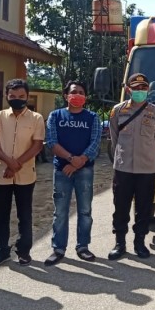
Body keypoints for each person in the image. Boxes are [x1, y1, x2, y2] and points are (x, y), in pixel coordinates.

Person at [0, 79, 45, 268]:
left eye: (21, 96)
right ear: (6, 96)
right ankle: (2, 251)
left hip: (26, 175)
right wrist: (8, 162)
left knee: (24, 215)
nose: (17, 99)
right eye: (12, 96)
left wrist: (16, 164)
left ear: (27, 96)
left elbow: (37, 145)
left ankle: (24, 251)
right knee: (0, 215)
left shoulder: (36, 118)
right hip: (0, 174)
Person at [44, 80, 101, 266]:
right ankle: (58, 248)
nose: (78, 95)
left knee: (85, 210)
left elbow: (95, 143)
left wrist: (79, 162)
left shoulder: (93, 117)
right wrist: (70, 159)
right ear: (66, 95)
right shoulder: (55, 116)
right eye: (74, 91)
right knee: (60, 211)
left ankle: (83, 246)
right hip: (62, 170)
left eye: (81, 92)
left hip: (85, 170)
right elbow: (52, 141)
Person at [108, 73, 155, 260]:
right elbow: (114, 138)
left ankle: (139, 242)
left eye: (143, 88)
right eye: (136, 87)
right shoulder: (118, 110)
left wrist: (144, 152)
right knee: (120, 206)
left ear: (148, 90)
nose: (139, 91)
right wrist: (122, 156)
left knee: (144, 207)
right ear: (128, 89)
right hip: (123, 168)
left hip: (146, 168)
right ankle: (120, 243)